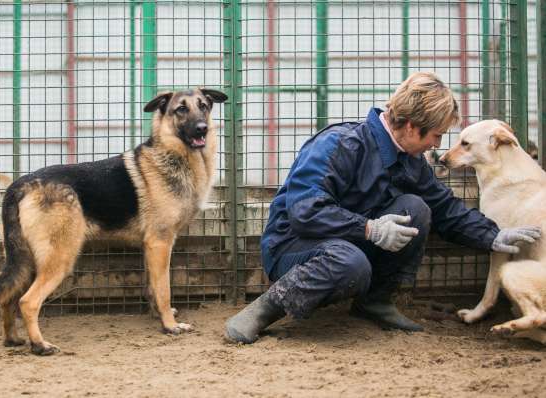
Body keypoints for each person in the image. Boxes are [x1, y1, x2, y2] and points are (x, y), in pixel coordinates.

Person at [225, 71, 541, 344]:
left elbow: (444, 207)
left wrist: (492, 236)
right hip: (294, 246)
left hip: (349, 244)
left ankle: (374, 302)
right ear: (411, 127)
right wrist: (370, 228)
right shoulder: (340, 144)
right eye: (436, 135)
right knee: (350, 263)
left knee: (416, 208)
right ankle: (266, 307)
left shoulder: (410, 159)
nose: (437, 145)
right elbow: (306, 210)